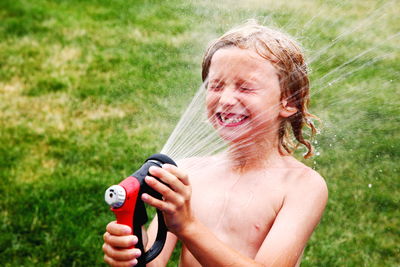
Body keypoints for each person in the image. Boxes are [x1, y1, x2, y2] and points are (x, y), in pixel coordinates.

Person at [102, 20, 328, 267]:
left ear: (288, 102)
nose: (227, 99)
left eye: (246, 87)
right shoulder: (188, 173)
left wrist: (188, 227)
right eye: (215, 85)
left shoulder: (300, 186)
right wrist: (132, 247)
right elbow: (154, 262)